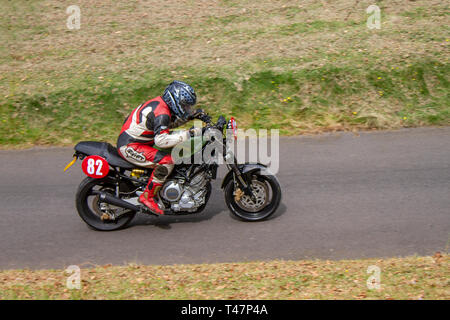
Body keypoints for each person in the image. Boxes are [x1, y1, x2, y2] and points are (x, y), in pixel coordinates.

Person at [117, 80, 207, 215]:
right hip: (131, 146)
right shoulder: (162, 112)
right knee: (167, 161)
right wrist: (190, 133)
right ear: (175, 100)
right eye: (185, 106)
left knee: (176, 147)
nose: (186, 109)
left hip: (140, 141)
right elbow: (161, 141)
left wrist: (190, 117)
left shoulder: (162, 105)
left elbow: (167, 125)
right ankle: (147, 197)